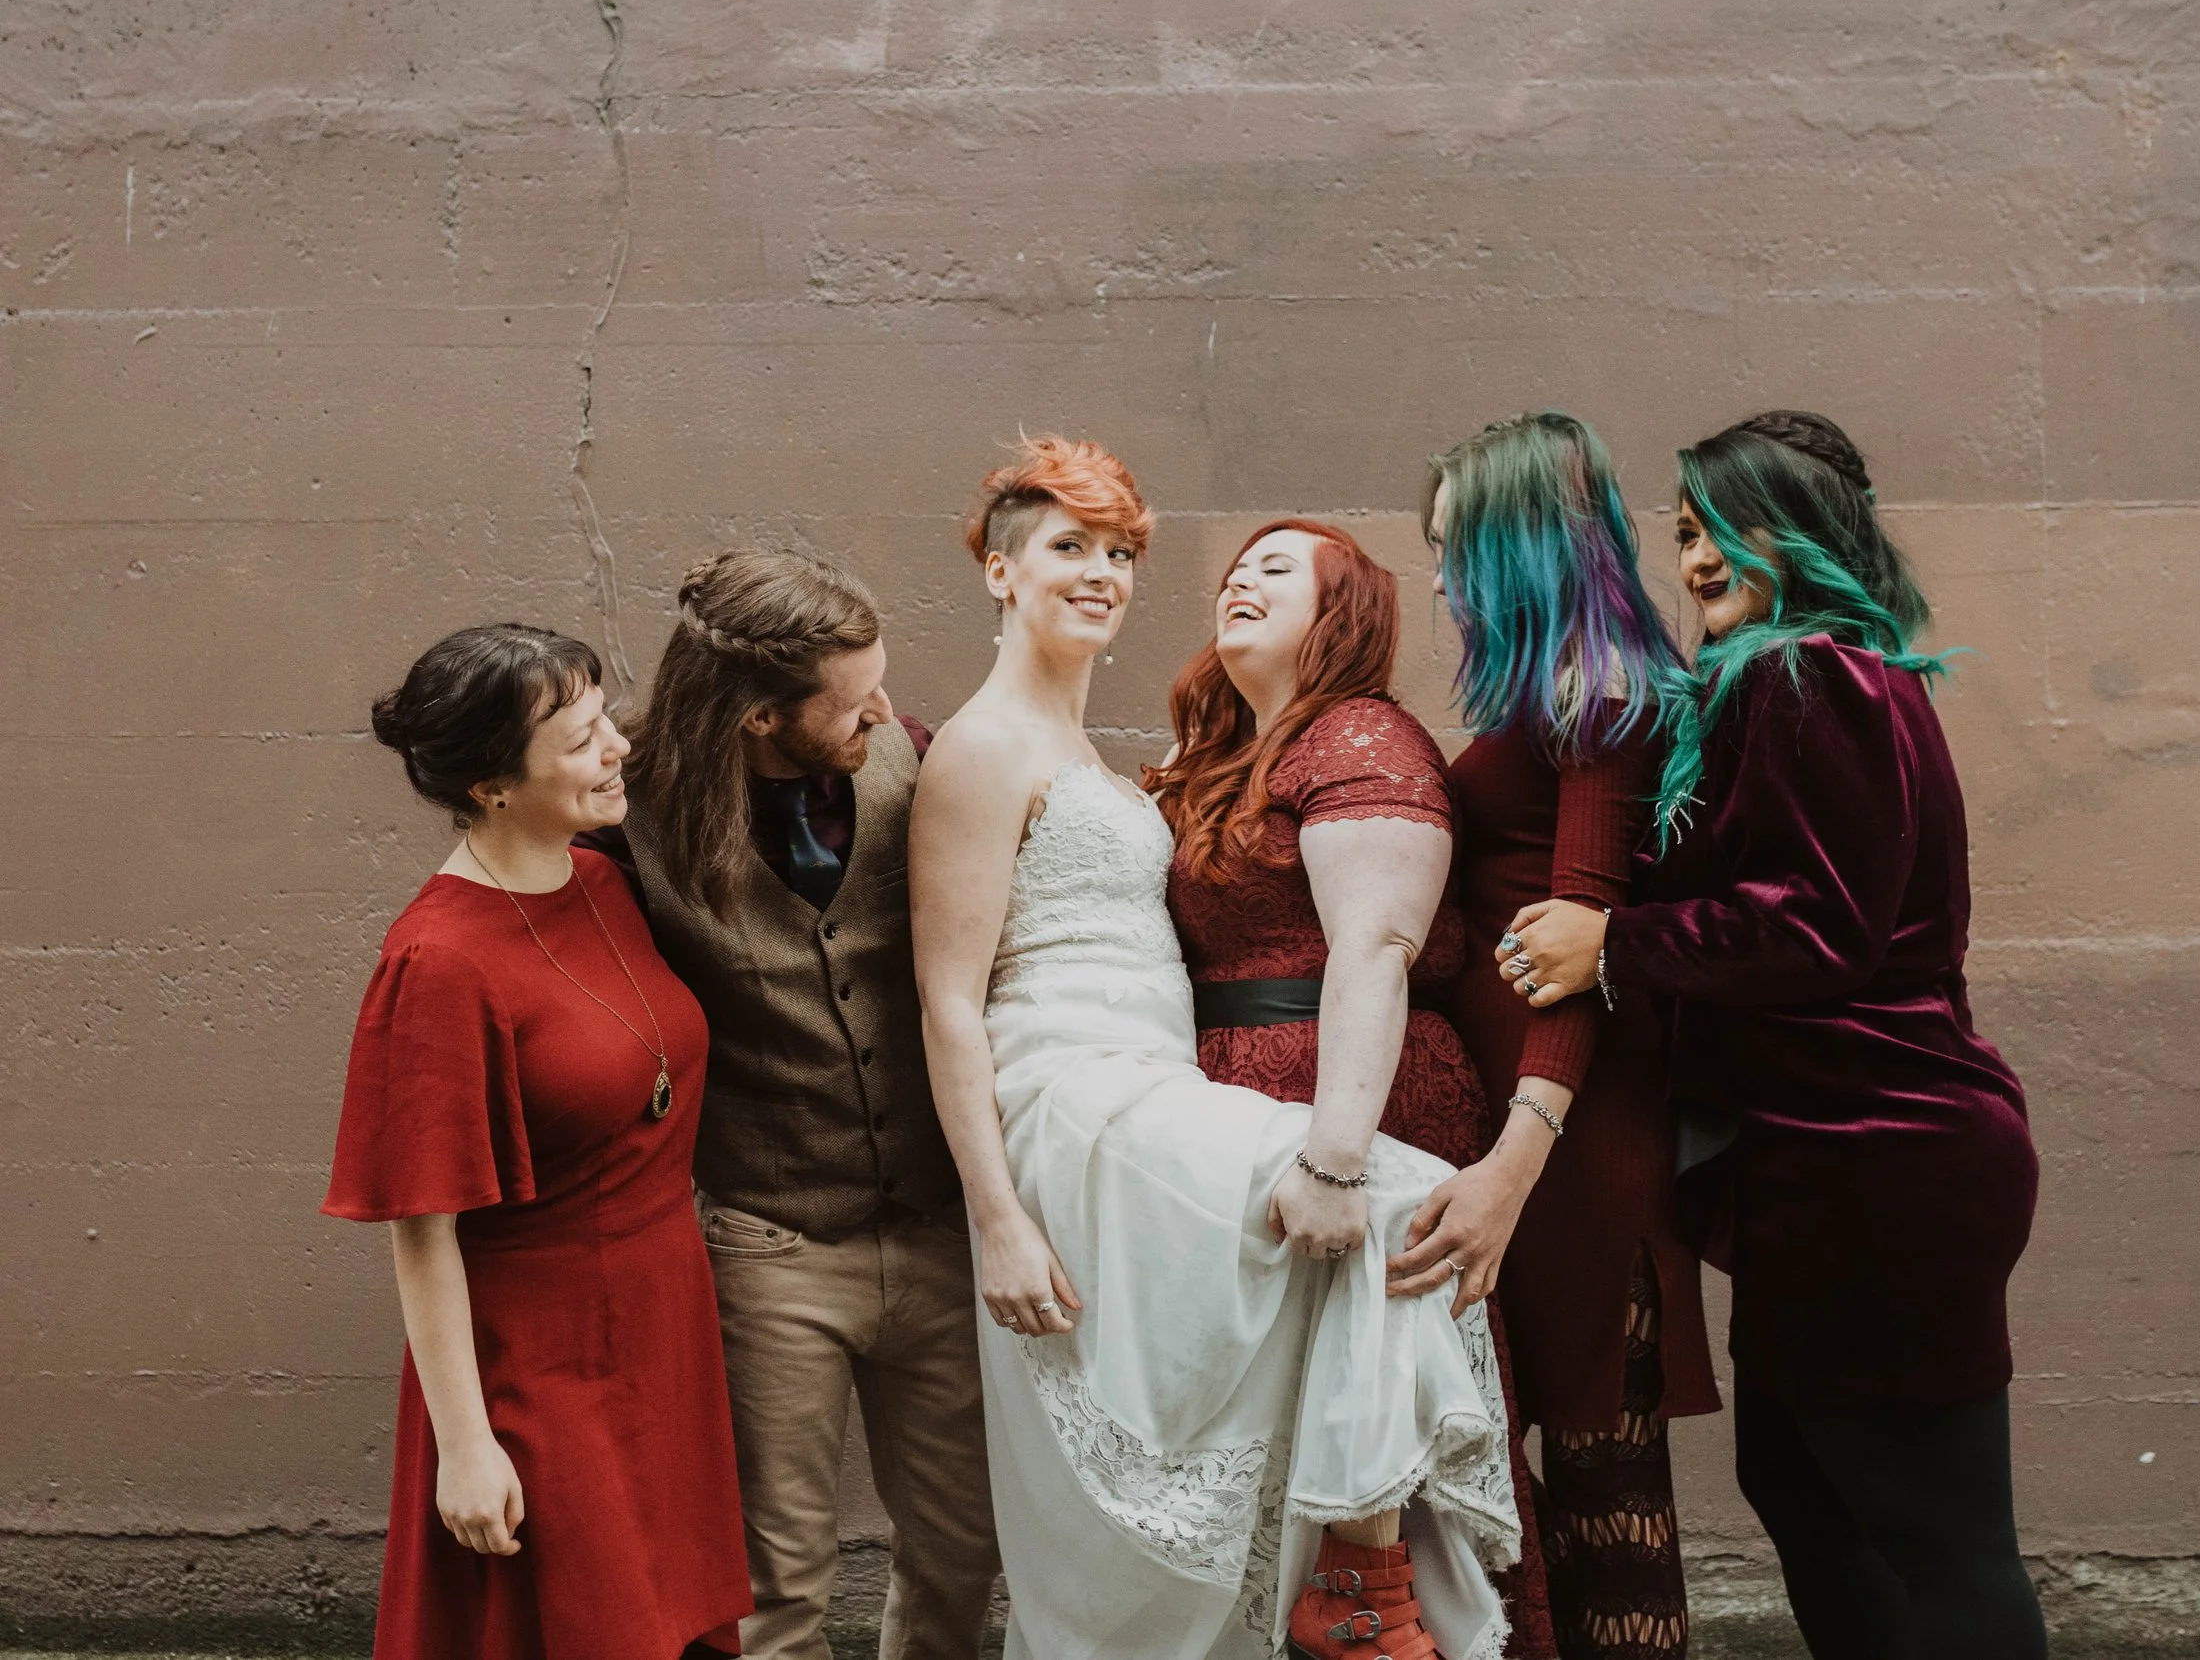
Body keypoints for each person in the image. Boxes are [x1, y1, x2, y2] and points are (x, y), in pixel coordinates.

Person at [911, 437, 1520, 1660]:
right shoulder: (983, 748)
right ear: (995, 571)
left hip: (1152, 1080)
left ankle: (1342, 1582)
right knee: (1392, 1192)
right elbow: (947, 1001)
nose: (1102, 574)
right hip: (1071, 1091)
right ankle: (1361, 1592)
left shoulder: (1099, 754)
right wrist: (997, 1216)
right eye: (1067, 549)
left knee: (1229, 1380)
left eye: (1121, 553)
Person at [1500, 411, 2046, 1660]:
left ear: (1804, 534)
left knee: (1946, 1538)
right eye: (1683, 532)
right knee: (1803, 1495)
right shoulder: (1783, 681)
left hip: (1885, 1155)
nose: (1694, 558)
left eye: (1724, 527)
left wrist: (1612, 944)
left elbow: (1819, 924)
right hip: (1825, 1164)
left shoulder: (1821, 678)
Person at [575, 549, 1000, 1660]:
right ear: (761, 718)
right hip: (769, 1241)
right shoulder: (629, 820)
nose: (881, 716)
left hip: (937, 1232)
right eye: (851, 703)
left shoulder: (910, 760)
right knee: (779, 1580)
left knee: (963, 1554)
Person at [1148, 518, 1559, 1657]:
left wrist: (1336, 1158)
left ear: (1341, 614)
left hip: (1354, 1108)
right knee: (1271, 1423)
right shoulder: (1235, 749)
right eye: (1235, 566)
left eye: (1277, 569)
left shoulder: (1362, 735)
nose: (1240, 577)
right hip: (1237, 1107)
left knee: (1374, 1425)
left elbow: (1374, 950)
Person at [325, 624, 749, 1660]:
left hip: (660, 1327)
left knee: (667, 1617)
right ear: (491, 784)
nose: (617, 751)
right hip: (538, 1365)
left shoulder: (600, 883)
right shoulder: (436, 962)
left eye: (607, 720)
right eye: (581, 739)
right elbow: (423, 1231)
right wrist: (466, 1447)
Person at [1410, 412, 1721, 1660]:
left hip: (1572, 1157)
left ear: (1513, 550)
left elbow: (1577, 958)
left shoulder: (1602, 696)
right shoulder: (1559, 695)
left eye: (1450, 551)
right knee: (1551, 1506)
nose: (1436, 578)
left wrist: (1506, 1170)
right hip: (1534, 1151)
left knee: (1610, 1506)